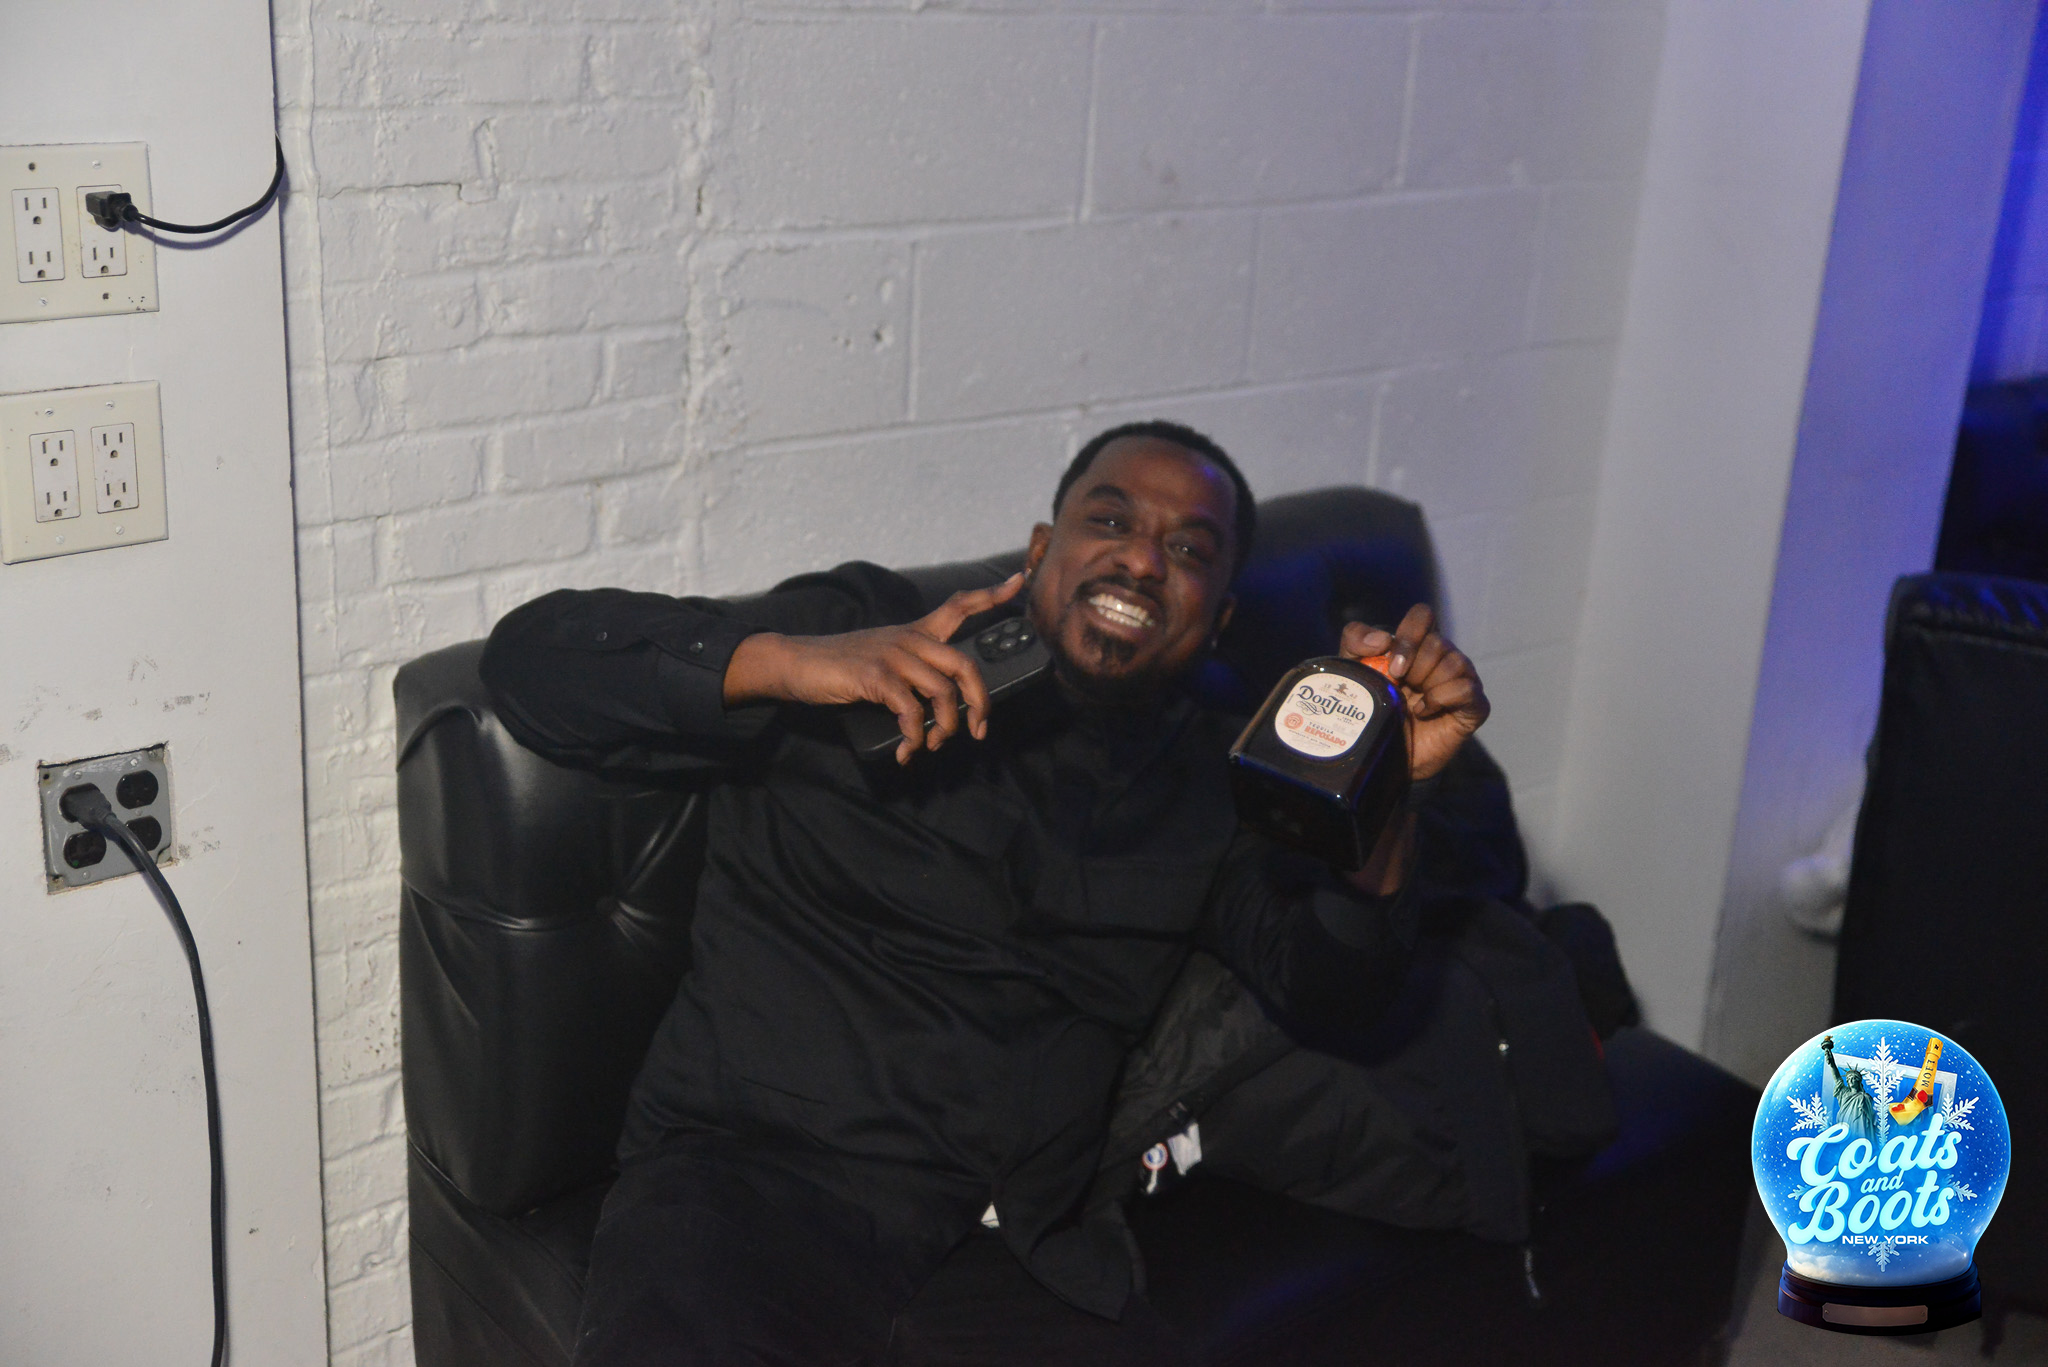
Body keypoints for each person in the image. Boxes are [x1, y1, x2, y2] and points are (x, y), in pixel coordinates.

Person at [479, 421, 1491, 1365]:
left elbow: (1333, 993)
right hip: (747, 1197)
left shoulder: (1219, 780)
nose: (1142, 560)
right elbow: (530, 664)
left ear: (1220, 613)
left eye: (1188, 549)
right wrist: (789, 662)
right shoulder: (861, 633)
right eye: (1110, 521)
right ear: (1042, 548)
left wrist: (1384, 792)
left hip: (1013, 1242)